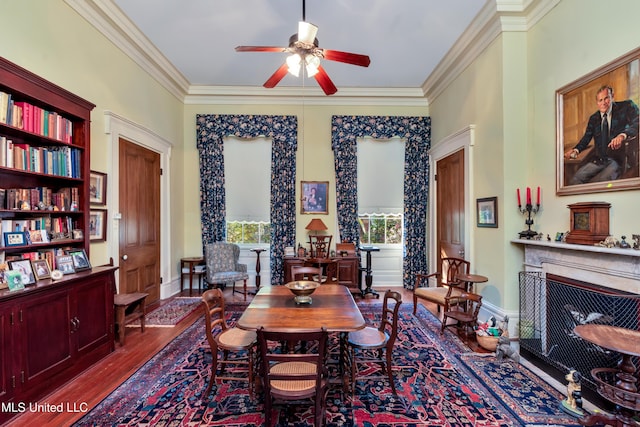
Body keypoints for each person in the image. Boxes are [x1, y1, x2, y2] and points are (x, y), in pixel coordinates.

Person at [564, 85, 639, 184]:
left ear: (612, 96)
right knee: (575, 180)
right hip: (598, 161)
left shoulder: (626, 107)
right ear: (597, 103)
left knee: (600, 182)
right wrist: (576, 150)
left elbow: (637, 122)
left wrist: (622, 135)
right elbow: (586, 138)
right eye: (600, 100)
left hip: (617, 160)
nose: (603, 103)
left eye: (606, 98)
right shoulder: (594, 119)